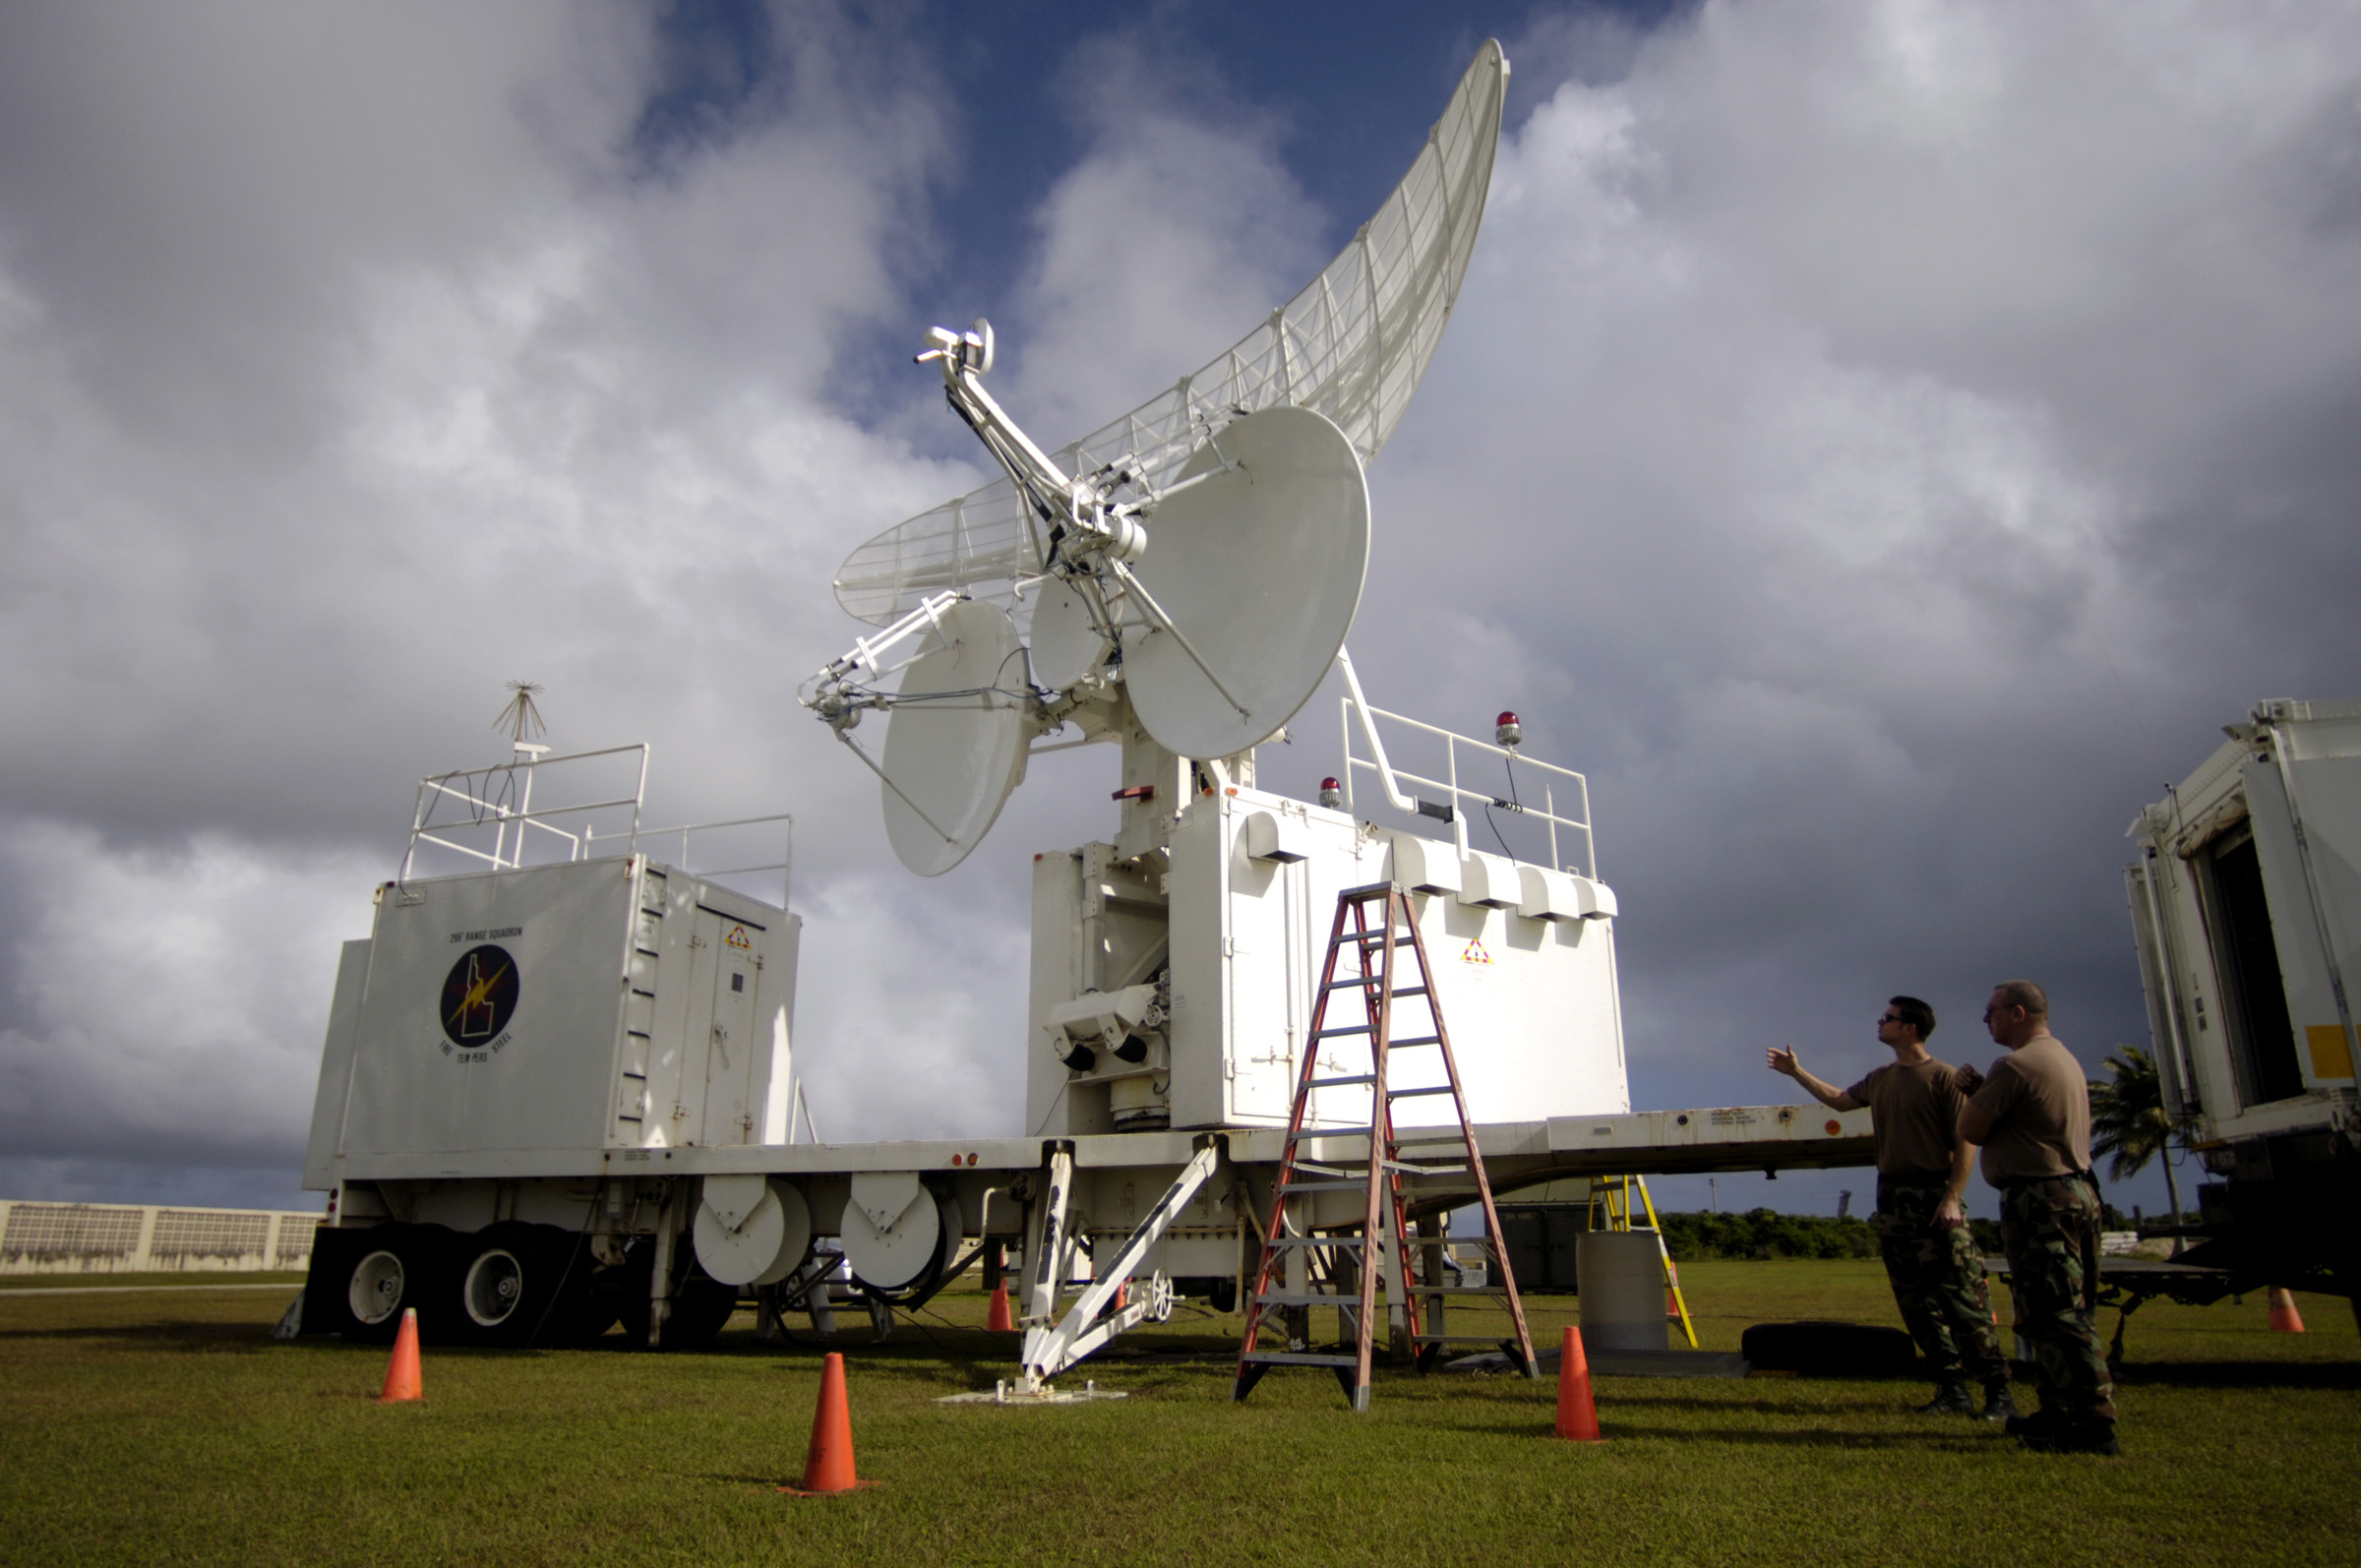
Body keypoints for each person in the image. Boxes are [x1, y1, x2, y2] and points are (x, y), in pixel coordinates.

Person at [1769, 996, 2013, 1421]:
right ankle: (1952, 1390)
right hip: (1893, 1197)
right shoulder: (1881, 1078)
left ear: (1911, 1028)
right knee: (1915, 1302)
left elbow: (1966, 1142)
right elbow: (1841, 1101)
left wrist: (1953, 1196)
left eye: (1889, 1019)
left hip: (1934, 1195)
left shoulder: (1945, 1078)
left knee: (1962, 1298)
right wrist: (1797, 1072)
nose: (1880, 1023)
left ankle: (1998, 1392)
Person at [1941, 980, 2116, 1456]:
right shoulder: (2060, 1058)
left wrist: (1979, 1096)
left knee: (2055, 1313)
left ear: (2018, 1013)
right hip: (2074, 1189)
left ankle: (2092, 1424)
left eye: (1991, 1010)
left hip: (2040, 1199)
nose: (1985, 1019)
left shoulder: (2014, 1065)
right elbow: (2031, 1120)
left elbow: (1971, 1127)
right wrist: (1988, 1093)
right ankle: (2061, 1411)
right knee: (2065, 1309)